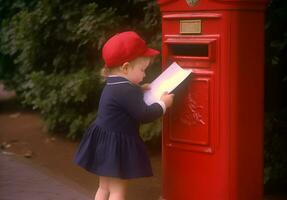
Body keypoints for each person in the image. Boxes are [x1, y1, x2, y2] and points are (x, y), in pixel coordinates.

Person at [74, 31, 174, 200]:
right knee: (117, 191)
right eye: (142, 70)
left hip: (103, 142)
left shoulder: (113, 84)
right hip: (115, 147)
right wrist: (163, 104)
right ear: (126, 67)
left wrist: (140, 89)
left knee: (104, 188)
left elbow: (122, 100)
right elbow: (144, 114)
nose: (144, 75)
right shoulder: (127, 90)